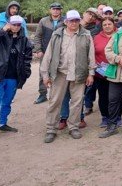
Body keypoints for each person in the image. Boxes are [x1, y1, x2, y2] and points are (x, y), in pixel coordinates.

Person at [41, 10, 96, 143]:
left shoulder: (86, 34)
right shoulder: (57, 34)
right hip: (59, 73)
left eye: (76, 20)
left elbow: (91, 55)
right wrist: (45, 74)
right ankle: (51, 129)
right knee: (54, 101)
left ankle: (74, 127)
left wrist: (91, 73)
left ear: (79, 21)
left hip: (79, 73)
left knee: (77, 102)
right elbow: (48, 55)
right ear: (66, 22)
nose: (74, 23)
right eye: (71, 20)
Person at [0, 15, 33, 142]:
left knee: (7, 103)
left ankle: (2, 124)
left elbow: (27, 59)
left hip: (13, 78)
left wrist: (25, 74)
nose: (16, 27)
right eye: (13, 24)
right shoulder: (0, 36)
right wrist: (2, 30)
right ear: (8, 24)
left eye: (18, 25)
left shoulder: (24, 40)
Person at [33, 2, 65, 104]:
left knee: (59, 73)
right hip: (45, 51)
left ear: (60, 10)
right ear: (50, 10)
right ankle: (42, 94)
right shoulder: (43, 21)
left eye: (58, 9)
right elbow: (37, 36)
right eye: (53, 9)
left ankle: (57, 95)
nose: (55, 10)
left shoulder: (65, 21)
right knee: (43, 72)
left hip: (61, 52)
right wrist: (38, 50)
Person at [93, 17, 118, 128]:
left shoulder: (120, 36)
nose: (107, 26)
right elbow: (92, 53)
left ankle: (117, 117)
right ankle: (105, 117)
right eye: (105, 24)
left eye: (109, 24)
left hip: (116, 71)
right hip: (101, 73)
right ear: (102, 26)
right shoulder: (97, 38)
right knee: (103, 96)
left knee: (116, 96)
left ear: (113, 25)